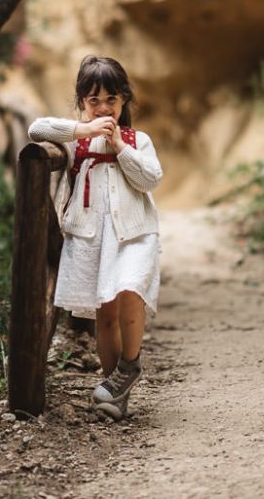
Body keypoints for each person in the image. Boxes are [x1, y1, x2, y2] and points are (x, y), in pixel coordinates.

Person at [27, 55, 163, 421]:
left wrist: (120, 147)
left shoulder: (138, 140)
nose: (103, 108)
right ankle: (114, 392)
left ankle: (129, 365)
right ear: (82, 103)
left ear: (124, 101)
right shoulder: (77, 141)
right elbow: (36, 130)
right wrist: (79, 130)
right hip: (92, 239)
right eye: (94, 101)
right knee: (106, 314)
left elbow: (150, 179)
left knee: (131, 289)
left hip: (135, 234)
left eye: (111, 100)